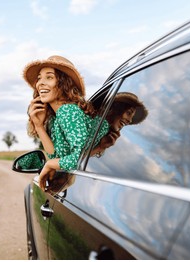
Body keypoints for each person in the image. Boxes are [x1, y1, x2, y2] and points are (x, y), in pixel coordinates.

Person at [23, 55, 109, 190]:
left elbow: (79, 159)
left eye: (49, 77)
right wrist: (39, 126)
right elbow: (55, 156)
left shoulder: (68, 111)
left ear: (64, 83)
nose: (40, 83)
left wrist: (49, 165)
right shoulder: (56, 119)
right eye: (39, 78)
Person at [91, 92, 148, 157]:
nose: (130, 120)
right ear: (116, 108)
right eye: (128, 113)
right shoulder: (100, 126)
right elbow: (78, 157)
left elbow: (80, 156)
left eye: (131, 117)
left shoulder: (101, 131)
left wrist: (101, 147)